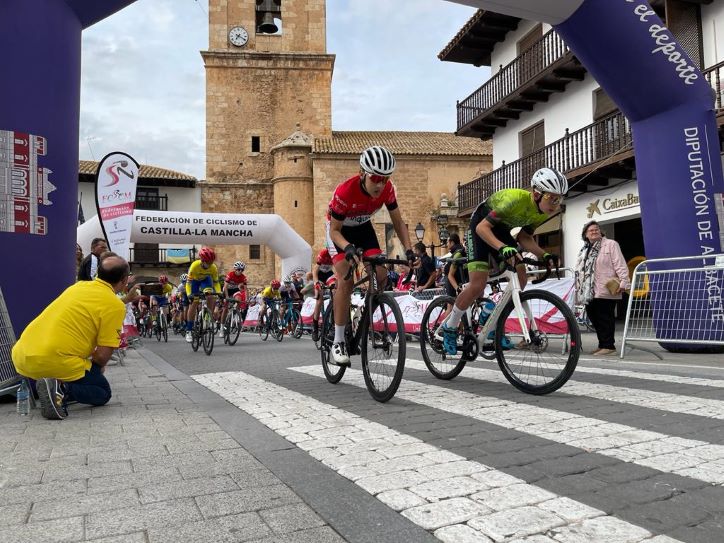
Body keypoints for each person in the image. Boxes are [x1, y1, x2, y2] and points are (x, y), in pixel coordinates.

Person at [438, 167, 568, 355]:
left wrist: (543, 255)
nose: (555, 204)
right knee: (477, 284)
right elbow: (483, 228)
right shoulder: (514, 200)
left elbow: (524, 238)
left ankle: (492, 321)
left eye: (559, 199)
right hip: (480, 226)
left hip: (501, 231)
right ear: (537, 193)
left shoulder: (541, 212)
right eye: (552, 198)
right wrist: (501, 247)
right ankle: (450, 327)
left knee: (521, 276)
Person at [12, 253, 138, 420]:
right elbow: (101, 357)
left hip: (21, 356)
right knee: (102, 392)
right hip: (53, 360)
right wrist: (95, 370)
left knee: (85, 372)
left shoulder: (77, 287)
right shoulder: (114, 306)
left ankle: (51, 387)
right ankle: (60, 388)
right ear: (124, 281)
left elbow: (101, 305)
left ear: (98, 274)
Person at [325, 145, 414, 366]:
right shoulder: (345, 191)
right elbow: (334, 230)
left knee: (382, 274)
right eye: (376, 178)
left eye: (385, 178)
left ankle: (367, 311)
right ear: (363, 173)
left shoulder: (387, 189)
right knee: (346, 278)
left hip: (364, 228)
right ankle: (338, 341)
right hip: (340, 231)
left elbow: (398, 222)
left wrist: (409, 249)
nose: (380, 184)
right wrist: (347, 248)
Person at [575, 220, 631, 355]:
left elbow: (619, 263)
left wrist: (624, 281)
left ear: (600, 232)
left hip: (605, 287)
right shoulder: (584, 250)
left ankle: (609, 346)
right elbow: (579, 270)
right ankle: (602, 345)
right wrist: (578, 288)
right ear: (586, 235)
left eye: (596, 229)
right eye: (591, 230)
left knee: (605, 317)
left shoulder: (611, 244)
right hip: (589, 291)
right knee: (593, 317)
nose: (594, 231)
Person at [184, 247, 221, 343]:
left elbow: (216, 283)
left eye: (211, 262)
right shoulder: (194, 266)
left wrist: (219, 292)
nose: (209, 264)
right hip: (194, 282)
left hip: (206, 280)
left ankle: (207, 319)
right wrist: (189, 294)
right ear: (202, 260)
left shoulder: (213, 267)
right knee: (195, 302)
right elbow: (188, 283)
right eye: (208, 262)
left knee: (210, 296)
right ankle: (189, 330)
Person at [311, 249, 335, 342]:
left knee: (335, 290)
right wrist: (316, 282)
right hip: (319, 276)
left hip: (329, 274)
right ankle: (315, 327)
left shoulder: (335, 253)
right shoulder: (323, 253)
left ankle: (333, 322)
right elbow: (315, 271)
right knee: (319, 300)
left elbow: (336, 271)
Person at [220, 261, 248, 337]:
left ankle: (235, 313)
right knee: (225, 309)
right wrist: (226, 297)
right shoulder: (230, 275)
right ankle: (222, 328)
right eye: (239, 269)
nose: (240, 271)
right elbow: (225, 287)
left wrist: (246, 299)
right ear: (235, 269)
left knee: (238, 299)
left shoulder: (243, 277)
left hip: (235, 290)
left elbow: (245, 289)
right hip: (227, 290)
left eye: (242, 270)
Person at [444, 233, 468, 297]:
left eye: (447, 242)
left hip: (453, 281)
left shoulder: (457, 254)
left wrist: (457, 289)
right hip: (458, 280)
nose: (446, 245)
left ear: (452, 242)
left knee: (450, 302)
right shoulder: (459, 251)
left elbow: (450, 275)